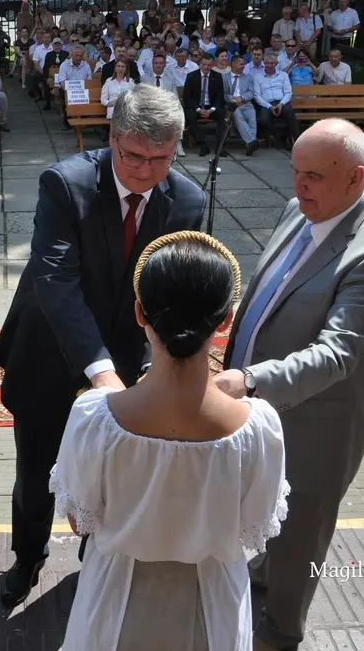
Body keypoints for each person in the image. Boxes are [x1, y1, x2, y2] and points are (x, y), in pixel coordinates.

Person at [0, 84, 207, 610]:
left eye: (160, 159)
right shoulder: (65, 184)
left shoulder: (187, 200)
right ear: (111, 137)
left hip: (130, 357)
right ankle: (28, 558)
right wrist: (98, 368)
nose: (144, 171)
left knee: (114, 472)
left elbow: (171, 289)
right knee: (37, 471)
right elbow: (56, 281)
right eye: (133, 155)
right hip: (51, 351)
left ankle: (98, 555)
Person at [215, 119, 364, 651]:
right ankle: (263, 575)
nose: (299, 186)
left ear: (355, 178)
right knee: (265, 513)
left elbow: (337, 353)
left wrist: (250, 379)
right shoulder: (301, 208)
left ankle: (282, 627)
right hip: (264, 410)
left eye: (314, 176)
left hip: (316, 426)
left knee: (301, 530)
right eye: (295, 171)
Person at [53, 232, 288, 650]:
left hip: (114, 605)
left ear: (140, 312)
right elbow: (254, 530)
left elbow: (79, 521)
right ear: (225, 319)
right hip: (212, 609)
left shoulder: (95, 419)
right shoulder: (259, 427)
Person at [183, 55, 226, 157]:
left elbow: (220, 97)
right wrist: (198, 109)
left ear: (212, 65)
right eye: (204, 64)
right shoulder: (191, 76)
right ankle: (203, 144)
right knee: (189, 115)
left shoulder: (217, 76)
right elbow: (187, 97)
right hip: (197, 106)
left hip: (211, 107)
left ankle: (219, 147)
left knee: (222, 114)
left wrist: (211, 109)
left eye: (209, 65)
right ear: (200, 64)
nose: (206, 67)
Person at [255, 53, 300, 150]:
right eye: (267, 63)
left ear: (276, 64)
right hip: (267, 104)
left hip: (282, 102)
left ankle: (298, 141)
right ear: (263, 63)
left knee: (290, 113)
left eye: (272, 63)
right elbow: (257, 96)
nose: (269, 65)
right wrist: (269, 106)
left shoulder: (283, 75)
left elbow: (288, 92)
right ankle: (281, 136)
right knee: (263, 119)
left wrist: (281, 104)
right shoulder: (257, 77)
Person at [224, 54, 258, 156]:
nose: (244, 66)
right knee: (238, 116)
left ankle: (249, 145)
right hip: (232, 105)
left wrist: (241, 98)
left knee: (252, 119)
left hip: (246, 103)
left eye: (244, 64)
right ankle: (252, 142)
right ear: (233, 64)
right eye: (241, 64)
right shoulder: (224, 78)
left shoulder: (248, 78)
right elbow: (223, 93)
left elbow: (251, 92)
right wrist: (233, 99)